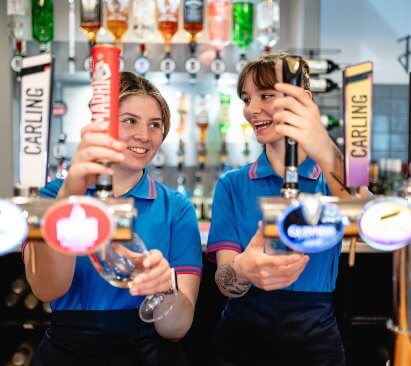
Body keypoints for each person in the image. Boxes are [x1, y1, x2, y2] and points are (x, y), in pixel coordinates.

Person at [23, 72, 202, 366]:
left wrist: (163, 288)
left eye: (155, 125)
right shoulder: (52, 197)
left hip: (147, 353)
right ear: (101, 126)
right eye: (130, 120)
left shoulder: (177, 208)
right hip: (66, 353)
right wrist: (71, 191)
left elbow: (176, 329)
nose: (144, 136)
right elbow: (46, 289)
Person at [207, 53, 369, 366]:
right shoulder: (232, 185)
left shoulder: (330, 180)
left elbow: (369, 222)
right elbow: (224, 280)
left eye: (265, 95)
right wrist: (243, 270)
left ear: (302, 101)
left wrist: (324, 146)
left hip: (315, 343)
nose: (252, 110)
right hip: (240, 345)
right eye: (246, 98)